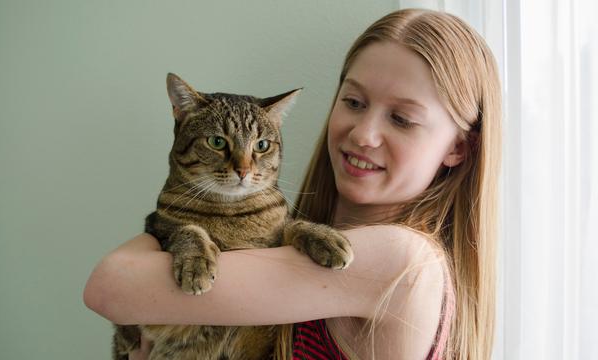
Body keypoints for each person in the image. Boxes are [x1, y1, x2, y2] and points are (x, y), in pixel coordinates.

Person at [84, 8, 501, 360]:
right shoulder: (315, 244)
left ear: (458, 148)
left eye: (402, 119)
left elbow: (110, 285)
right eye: (353, 102)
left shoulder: (399, 259)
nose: (363, 134)